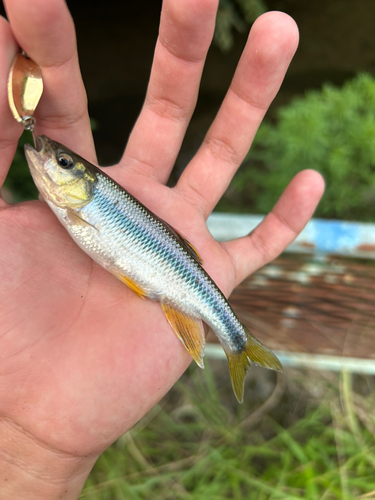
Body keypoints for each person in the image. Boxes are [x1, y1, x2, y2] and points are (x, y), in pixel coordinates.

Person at [0, 0, 324, 497]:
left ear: (79, 181)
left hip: (174, 279)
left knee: (189, 301)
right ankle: (241, 344)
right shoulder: (74, 204)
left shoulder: (82, 204)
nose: (51, 160)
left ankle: (239, 343)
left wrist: (33, 458)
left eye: (63, 164)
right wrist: (26, 450)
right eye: (65, 162)